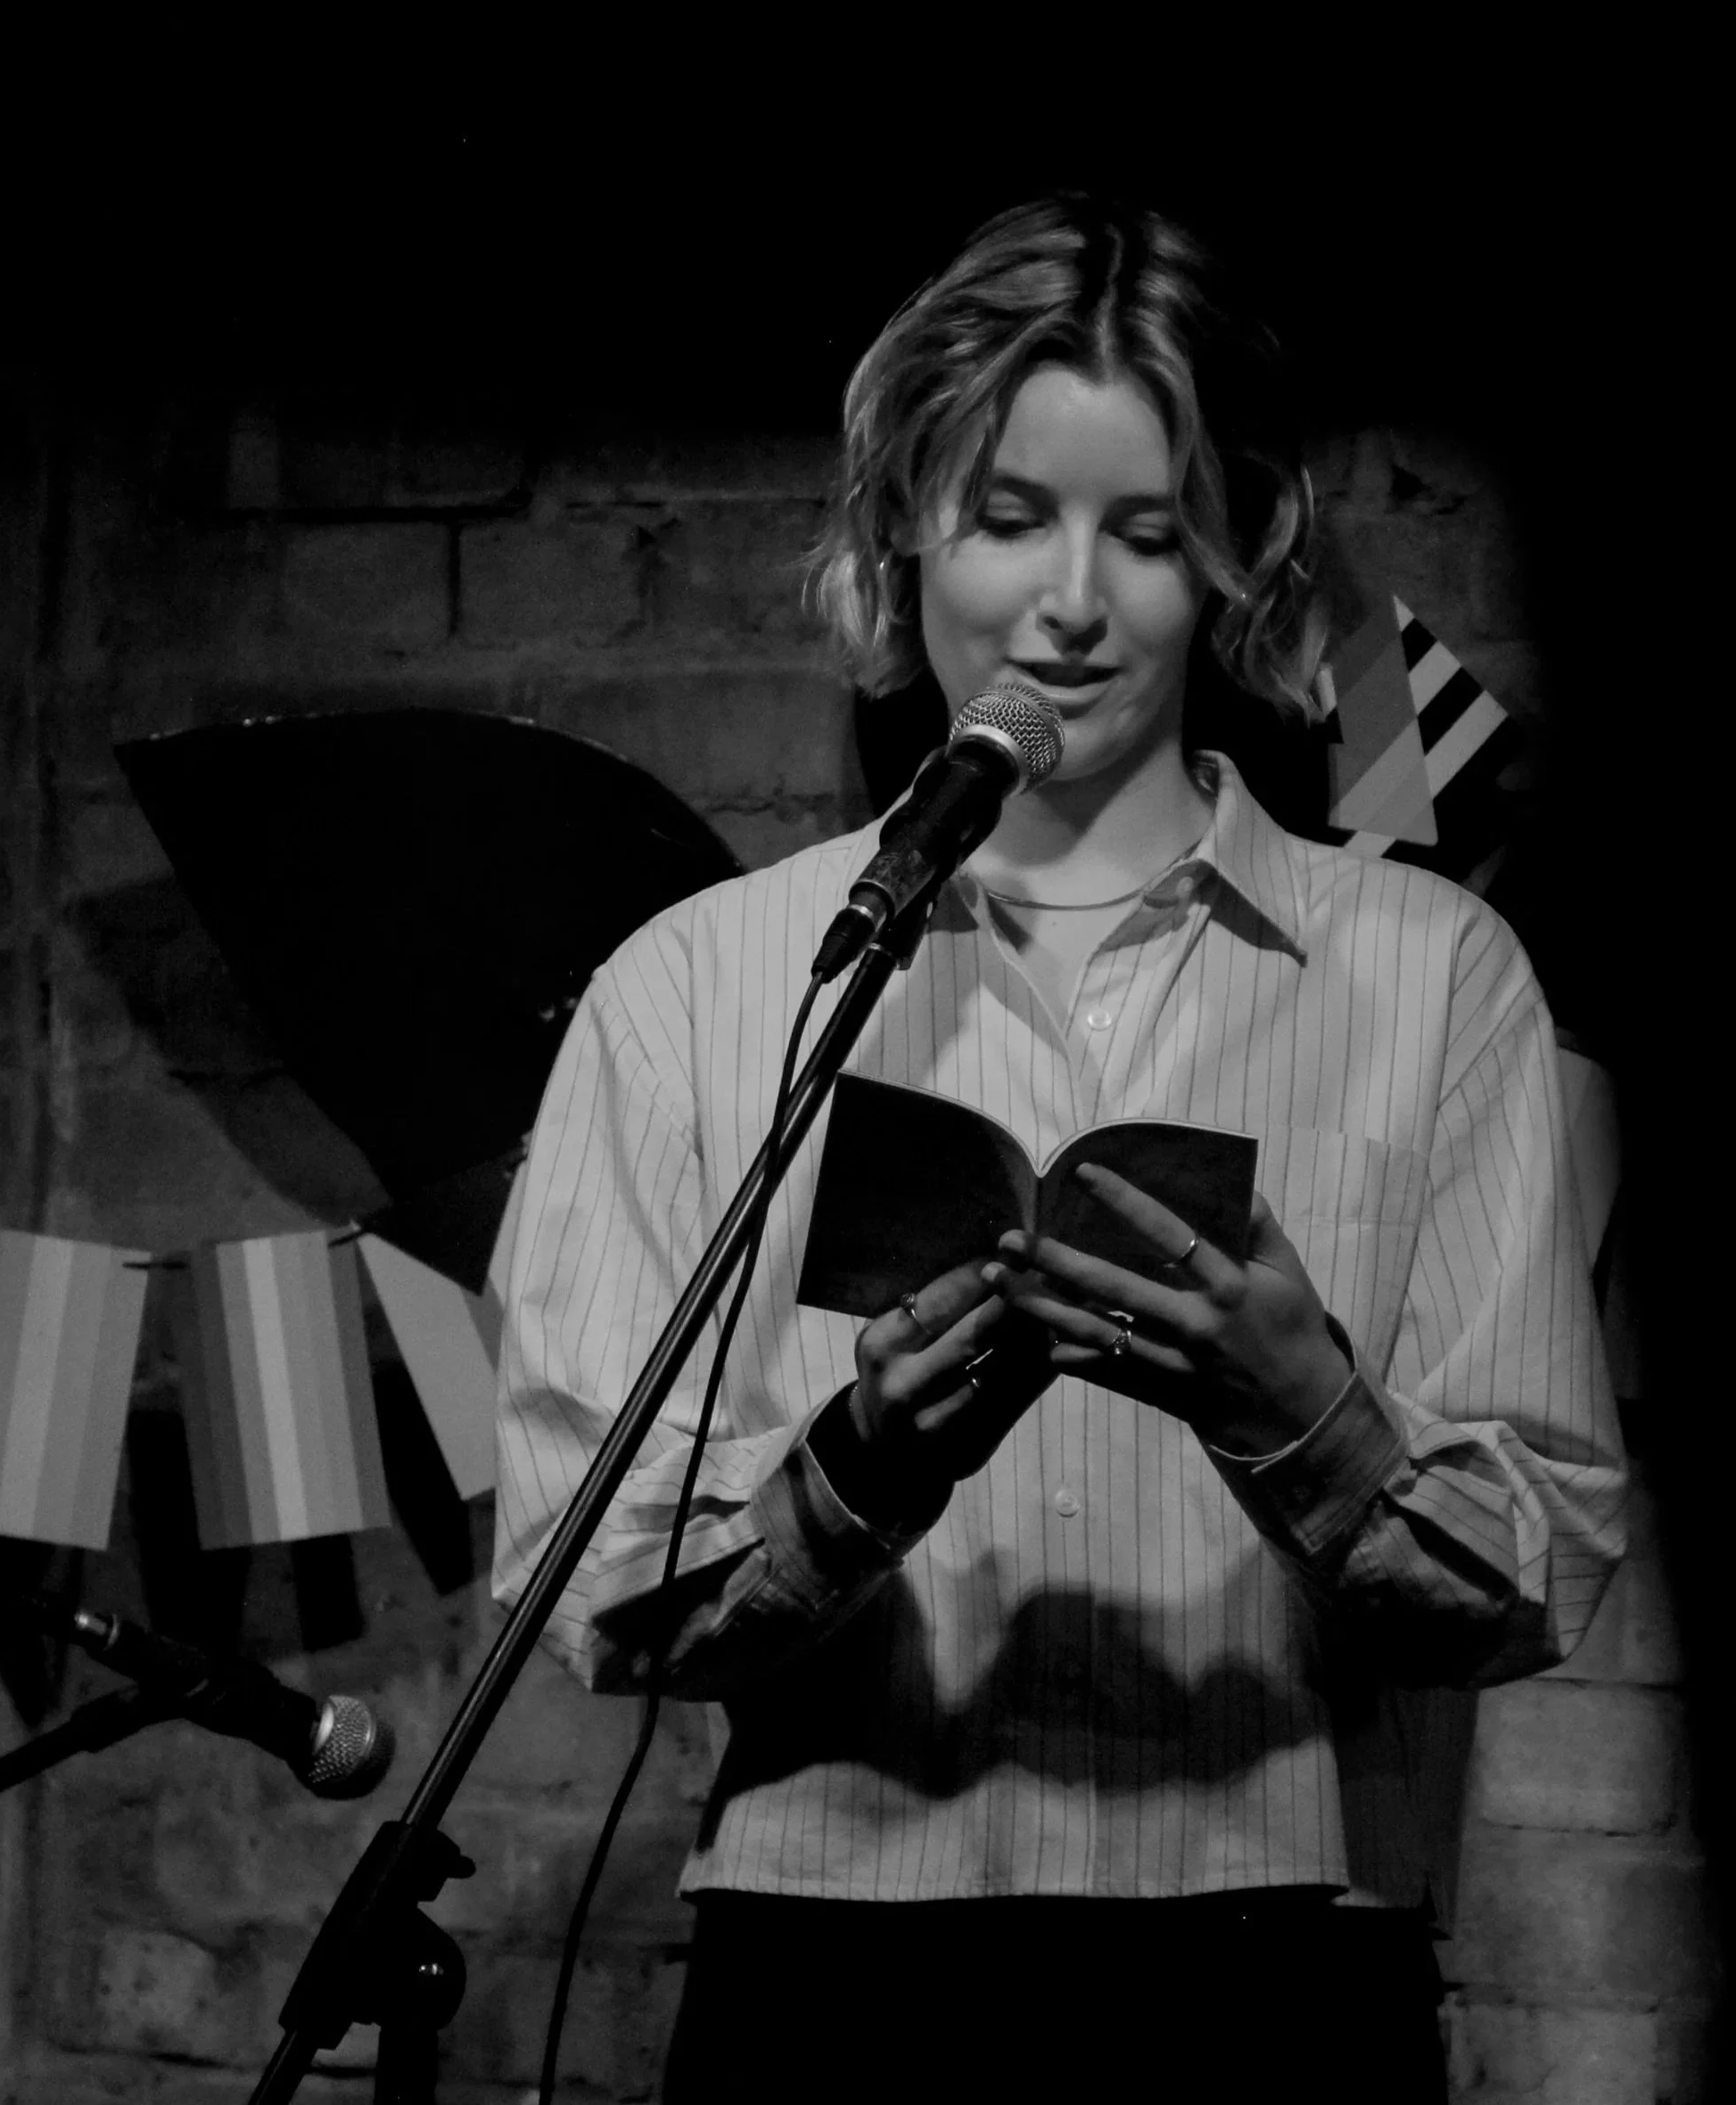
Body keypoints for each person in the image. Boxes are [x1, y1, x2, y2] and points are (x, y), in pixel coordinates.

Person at [494, 195, 1627, 2104]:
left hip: (1277, 1975)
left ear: (1241, 558)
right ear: (899, 538)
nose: (1070, 602)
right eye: (1010, 516)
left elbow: (1533, 1570)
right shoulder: (698, 986)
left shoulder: (1435, 973)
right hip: (824, 1978)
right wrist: (853, 1469)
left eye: (1145, 529)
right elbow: (583, 1585)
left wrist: (1310, 1422)